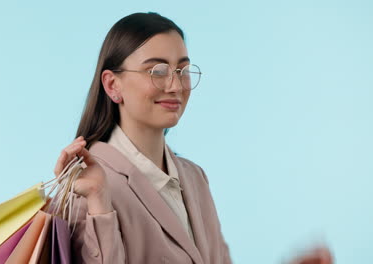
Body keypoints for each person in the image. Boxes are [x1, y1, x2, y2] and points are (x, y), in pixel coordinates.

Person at [53, 12, 333, 264]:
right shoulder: (86, 185)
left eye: (183, 71)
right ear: (113, 85)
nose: (175, 86)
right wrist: (100, 203)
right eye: (157, 71)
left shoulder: (194, 178)